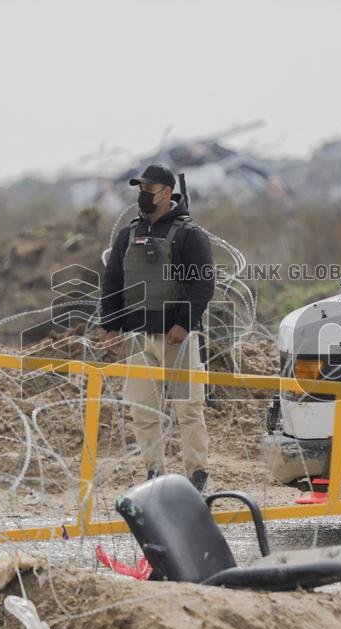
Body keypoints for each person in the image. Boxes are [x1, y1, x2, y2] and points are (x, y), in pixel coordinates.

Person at [99, 164, 215, 492]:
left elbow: (203, 284)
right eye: (139, 189)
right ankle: (155, 476)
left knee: (187, 410)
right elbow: (113, 282)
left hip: (175, 339)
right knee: (143, 412)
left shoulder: (189, 235)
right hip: (138, 338)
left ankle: (197, 477)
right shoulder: (129, 234)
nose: (141, 195)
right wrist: (111, 326)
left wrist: (183, 323)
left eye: (147, 190)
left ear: (165, 192)